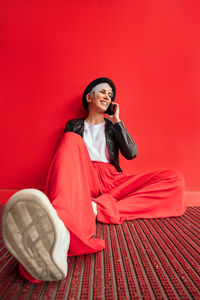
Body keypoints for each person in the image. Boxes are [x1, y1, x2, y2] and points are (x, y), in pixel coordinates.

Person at [2, 77, 185, 283]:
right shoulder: (74, 125)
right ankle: (60, 237)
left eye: (110, 95)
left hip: (112, 179)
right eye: (103, 92)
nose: (108, 96)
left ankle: (94, 208)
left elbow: (131, 153)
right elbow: (67, 160)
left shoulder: (112, 126)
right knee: (70, 139)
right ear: (89, 97)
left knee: (174, 180)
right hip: (84, 175)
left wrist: (117, 122)